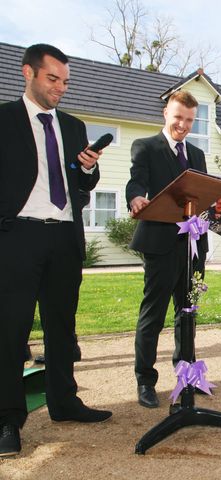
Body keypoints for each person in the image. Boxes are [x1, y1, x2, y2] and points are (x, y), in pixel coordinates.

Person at [0, 44, 111, 458]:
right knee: (10, 330)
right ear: (28, 72)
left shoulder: (73, 125)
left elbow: (82, 187)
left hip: (64, 237)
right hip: (17, 237)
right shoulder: (4, 119)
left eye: (65, 81)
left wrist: (87, 168)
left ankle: (64, 402)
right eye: (53, 79)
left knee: (62, 327)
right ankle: (8, 419)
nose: (61, 88)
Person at [126, 90, 209, 409]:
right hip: (160, 244)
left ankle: (187, 376)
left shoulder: (198, 155)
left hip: (193, 247)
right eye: (178, 117)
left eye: (189, 120)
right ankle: (145, 381)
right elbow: (136, 182)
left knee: (187, 315)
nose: (183, 125)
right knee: (154, 316)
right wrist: (136, 199)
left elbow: (202, 197)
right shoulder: (146, 146)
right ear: (165, 113)